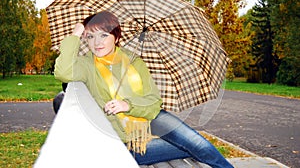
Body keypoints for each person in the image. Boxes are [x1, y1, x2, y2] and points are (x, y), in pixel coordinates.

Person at [54, 11, 233, 168]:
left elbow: (154, 100)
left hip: (148, 115)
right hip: (125, 140)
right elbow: (62, 72)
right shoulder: (86, 65)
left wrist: (127, 105)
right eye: (90, 36)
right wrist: (75, 34)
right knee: (192, 146)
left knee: (195, 142)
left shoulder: (133, 60)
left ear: (116, 38)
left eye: (103, 35)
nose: (96, 43)